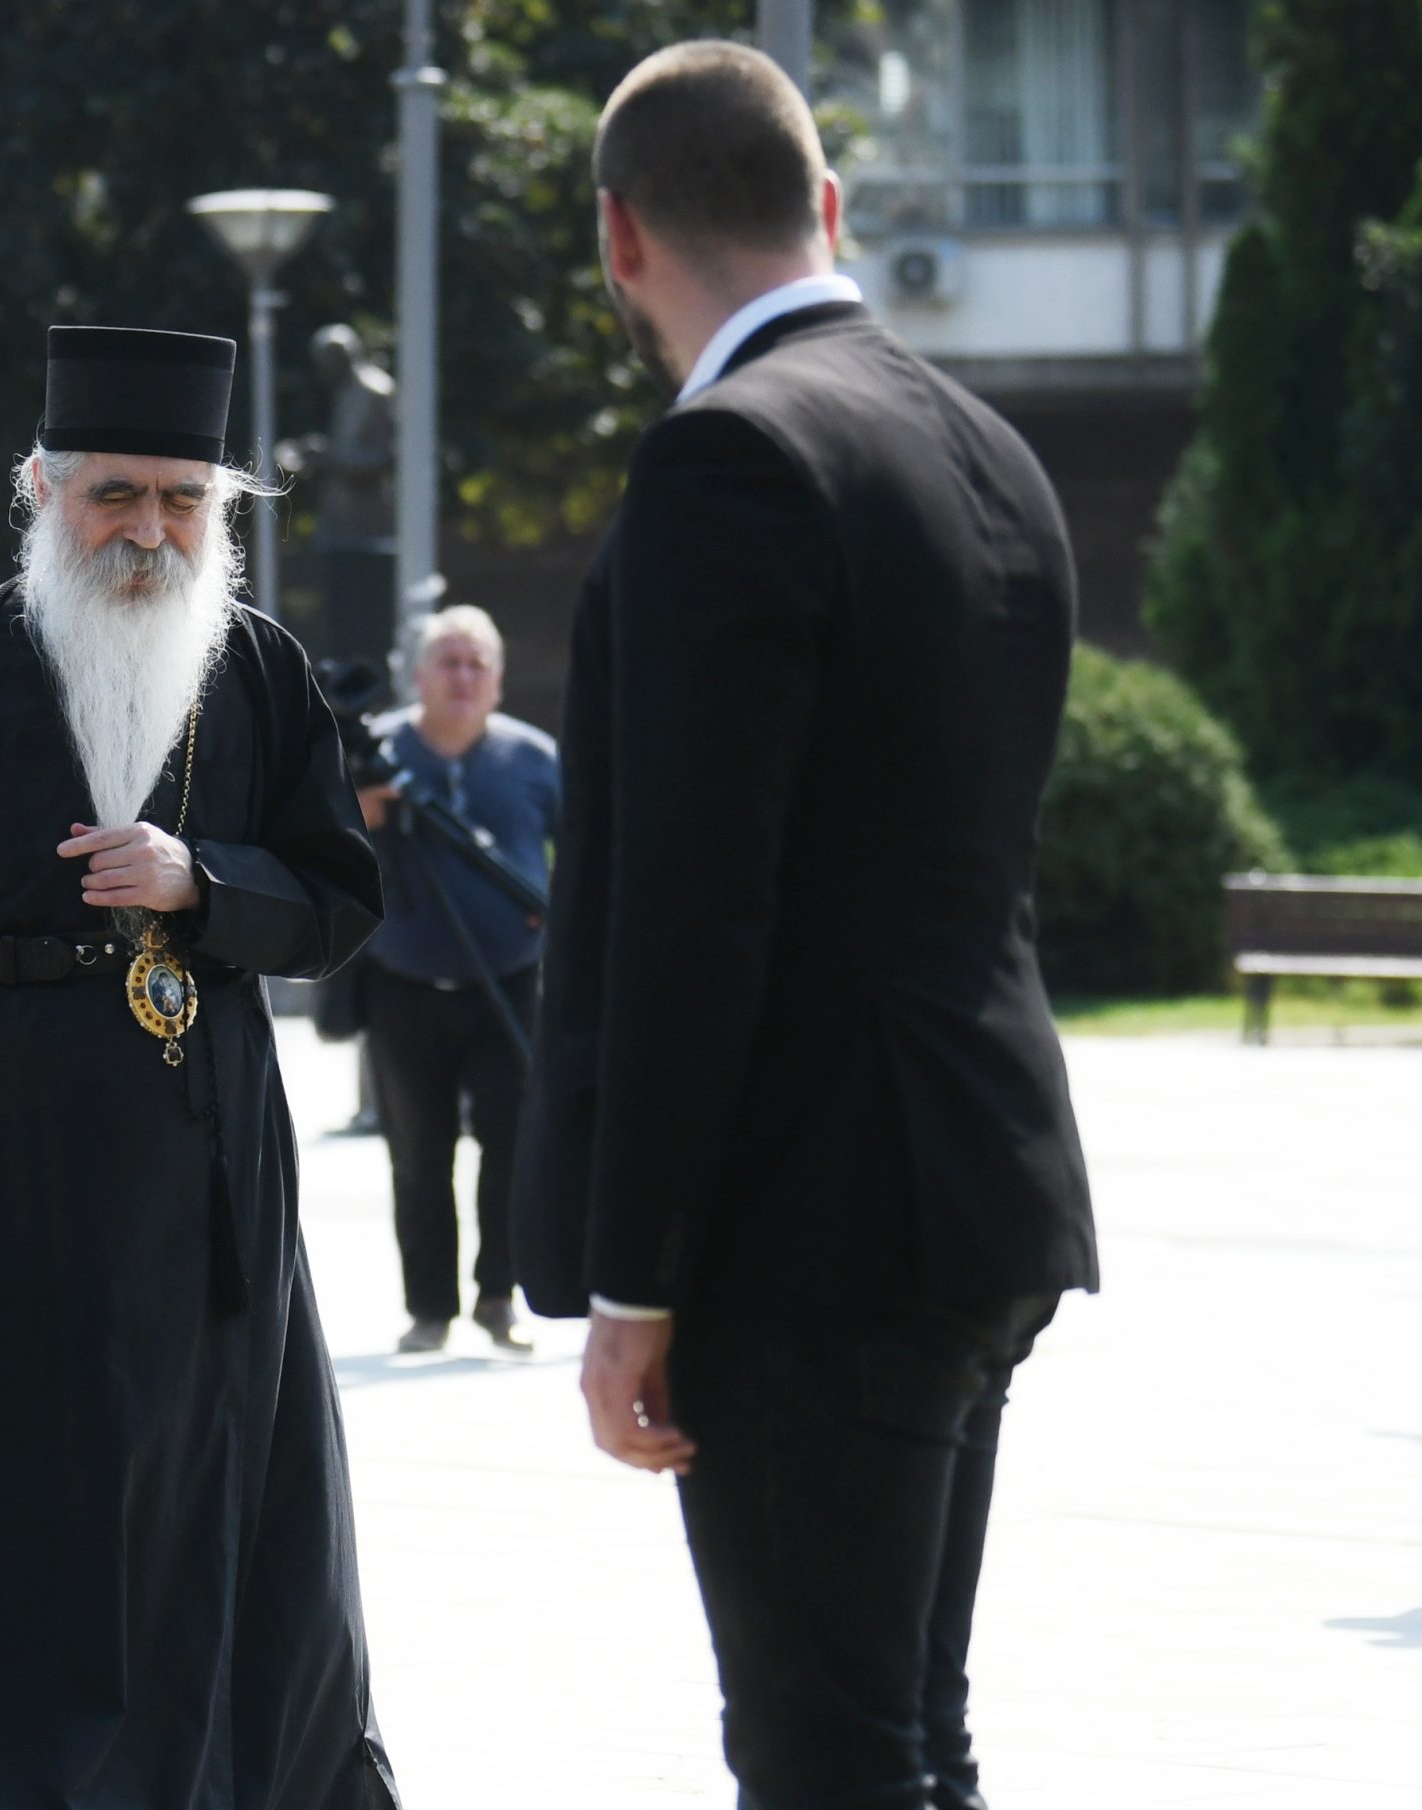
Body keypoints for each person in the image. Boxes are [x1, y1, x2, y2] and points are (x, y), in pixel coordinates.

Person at [511, 43, 1098, 1808]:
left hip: (807, 1224)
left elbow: (696, 905)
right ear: (826, 202)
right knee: (909, 1736)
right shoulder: (991, 451)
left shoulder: (732, 458)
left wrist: (635, 1274)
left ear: (619, 237)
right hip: (980, 1177)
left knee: (826, 1757)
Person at [0, 325, 399, 1809]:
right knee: (1, 1502)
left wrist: (206, 879)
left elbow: (339, 903)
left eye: (183, 501)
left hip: (198, 1161)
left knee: (201, 1498)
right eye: (115, 494)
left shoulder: (259, 667)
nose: (149, 530)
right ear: (42, 489)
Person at [353, 604, 556, 1355]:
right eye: (449, 662)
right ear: (419, 675)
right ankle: (430, 1308)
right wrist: (360, 817)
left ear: (498, 681)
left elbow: (583, 851)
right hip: (402, 983)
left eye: (478, 665)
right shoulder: (374, 754)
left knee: (513, 1145)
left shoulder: (535, 758)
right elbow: (317, 851)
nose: (463, 678)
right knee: (418, 1152)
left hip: (511, 982)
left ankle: (500, 1296)